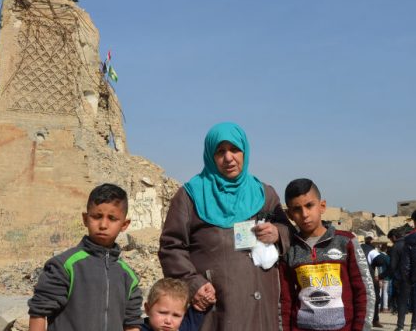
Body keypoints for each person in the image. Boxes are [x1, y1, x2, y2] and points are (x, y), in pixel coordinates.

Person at [159, 122, 291, 331]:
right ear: (210, 156)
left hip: (260, 311)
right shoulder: (190, 196)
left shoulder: (264, 193)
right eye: (220, 151)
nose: (228, 158)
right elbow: (171, 247)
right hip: (217, 309)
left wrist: (277, 233)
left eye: (234, 149)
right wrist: (194, 284)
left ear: (244, 152)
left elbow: (286, 229)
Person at [28, 183, 143, 331]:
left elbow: (132, 322)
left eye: (112, 218)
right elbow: (39, 311)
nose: (103, 224)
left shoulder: (128, 276)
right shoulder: (64, 265)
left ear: (124, 224)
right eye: (97, 216)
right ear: (85, 218)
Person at [278, 178, 372, 331]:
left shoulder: (346, 242)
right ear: (289, 214)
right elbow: (285, 301)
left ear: (322, 206)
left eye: (309, 205)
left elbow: (364, 293)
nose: (305, 214)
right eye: (297, 209)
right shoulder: (289, 249)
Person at [140, 278, 205, 331]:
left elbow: (198, 307)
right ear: (147, 309)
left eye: (176, 315)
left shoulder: (185, 328)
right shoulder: (136, 328)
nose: (168, 321)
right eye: (163, 313)